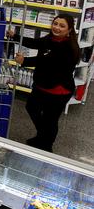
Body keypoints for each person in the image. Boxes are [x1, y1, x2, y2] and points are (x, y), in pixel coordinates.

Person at [10, 14, 80, 152]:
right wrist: (15, 36)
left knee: (50, 119)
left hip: (58, 90)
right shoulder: (50, 38)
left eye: (62, 26)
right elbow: (35, 43)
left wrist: (25, 61)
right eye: (55, 23)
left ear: (70, 30)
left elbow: (47, 62)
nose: (57, 27)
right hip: (42, 85)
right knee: (31, 107)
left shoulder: (68, 48)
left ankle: (47, 146)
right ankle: (43, 136)